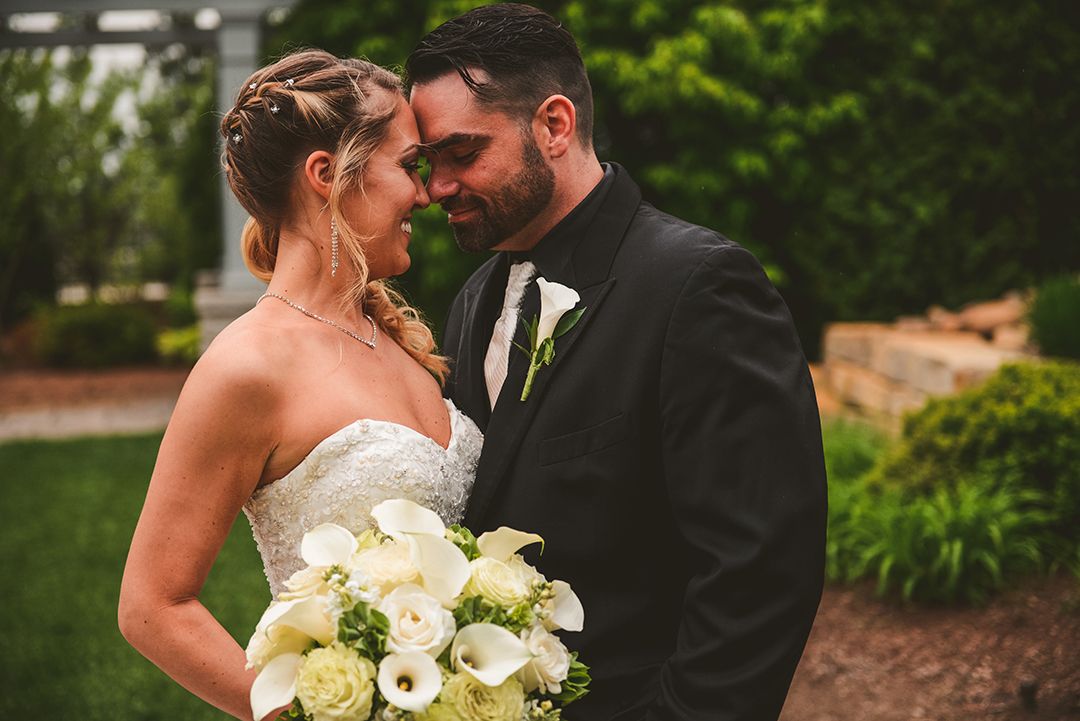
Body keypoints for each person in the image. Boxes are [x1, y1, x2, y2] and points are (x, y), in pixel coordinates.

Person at [406, 5, 828, 720]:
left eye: (462, 153)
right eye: (427, 162)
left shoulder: (698, 287)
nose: (435, 187)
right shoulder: (476, 299)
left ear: (555, 126)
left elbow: (760, 574)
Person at [118, 49, 482, 721]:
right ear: (326, 175)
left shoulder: (397, 336)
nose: (426, 193)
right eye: (408, 166)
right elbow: (151, 606)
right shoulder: (246, 367)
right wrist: (306, 711)